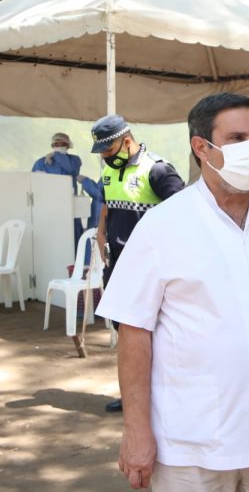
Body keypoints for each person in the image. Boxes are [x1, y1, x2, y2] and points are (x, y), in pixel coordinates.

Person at [95, 93, 249, 491]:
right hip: (193, 436)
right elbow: (134, 332)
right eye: (238, 138)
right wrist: (136, 430)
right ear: (201, 147)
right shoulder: (162, 227)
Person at [90, 114, 185, 413]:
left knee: (156, 333)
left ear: (126, 141)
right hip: (118, 265)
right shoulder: (108, 171)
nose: (105, 157)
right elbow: (107, 206)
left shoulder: (157, 170)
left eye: (108, 150)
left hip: (150, 268)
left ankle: (165, 396)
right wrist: (101, 234)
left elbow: (186, 213)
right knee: (126, 332)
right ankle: (135, 394)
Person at [32, 132, 84, 248]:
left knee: (72, 238)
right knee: (52, 240)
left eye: (63, 144)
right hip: (49, 207)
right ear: (52, 145)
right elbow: (35, 185)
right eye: (57, 144)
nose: (60, 146)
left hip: (70, 205)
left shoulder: (74, 160)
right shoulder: (41, 162)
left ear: (68, 145)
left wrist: (57, 156)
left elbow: (71, 170)